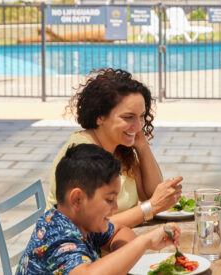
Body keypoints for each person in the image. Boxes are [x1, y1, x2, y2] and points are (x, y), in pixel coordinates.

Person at [16, 144, 181, 275]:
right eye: (109, 200)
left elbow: (119, 231)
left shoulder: (81, 221)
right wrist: (144, 242)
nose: (115, 207)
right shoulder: (57, 237)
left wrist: (118, 259)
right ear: (77, 199)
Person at [47, 68, 182, 228]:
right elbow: (93, 228)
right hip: (74, 248)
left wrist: (142, 146)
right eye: (128, 117)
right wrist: (151, 207)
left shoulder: (119, 147)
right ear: (100, 116)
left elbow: (152, 194)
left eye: (141, 116)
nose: (138, 126)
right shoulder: (83, 157)